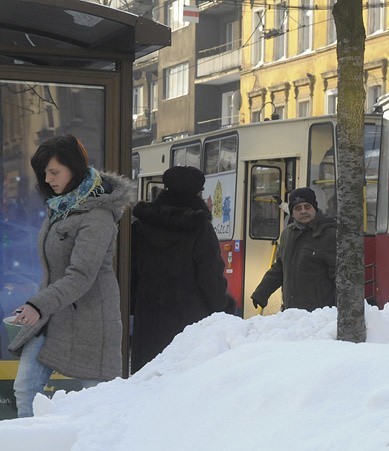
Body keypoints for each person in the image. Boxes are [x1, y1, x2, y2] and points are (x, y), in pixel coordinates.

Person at [8, 135, 135, 417]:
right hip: (54, 315)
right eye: (44, 173)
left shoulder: (98, 215)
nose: (48, 179)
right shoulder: (60, 208)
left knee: (101, 400)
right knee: (26, 387)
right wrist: (37, 306)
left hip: (90, 320)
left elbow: (81, 274)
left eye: (54, 172)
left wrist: (37, 304)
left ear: (73, 169)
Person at [130, 166, 235, 373]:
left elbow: (132, 271)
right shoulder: (199, 227)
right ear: (197, 192)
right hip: (189, 317)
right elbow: (210, 274)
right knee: (182, 376)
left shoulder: (141, 225)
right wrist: (223, 306)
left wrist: (134, 306)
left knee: (147, 380)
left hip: (149, 314)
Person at [251, 187, 336, 311]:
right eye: (297, 208)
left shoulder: (329, 235)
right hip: (291, 312)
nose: (303, 211)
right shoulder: (287, 234)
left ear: (315, 208)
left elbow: (340, 277)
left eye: (307, 206)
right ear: (292, 212)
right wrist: (262, 293)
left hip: (319, 315)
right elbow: (280, 268)